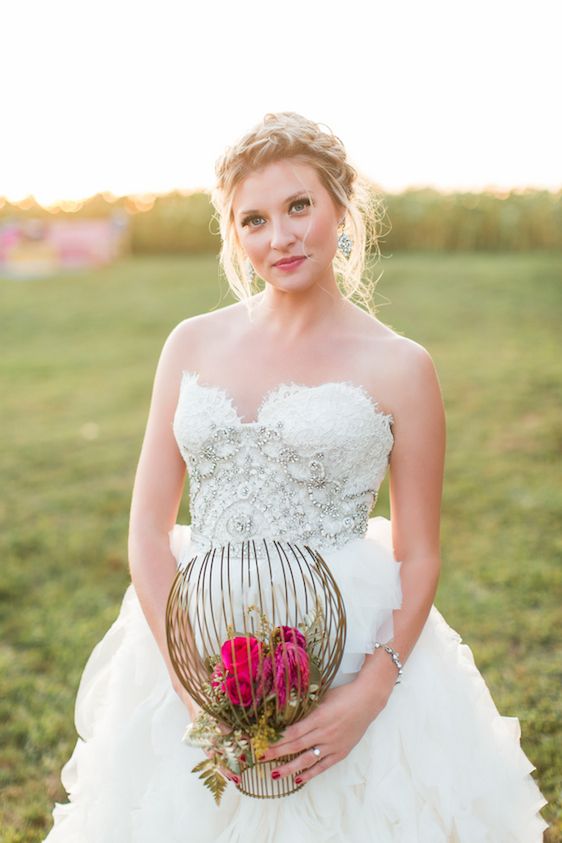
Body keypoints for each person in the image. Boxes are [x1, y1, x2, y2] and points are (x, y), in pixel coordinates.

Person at [43, 111, 549, 842]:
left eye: (298, 207)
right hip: (194, 637)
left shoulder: (402, 366)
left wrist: (370, 692)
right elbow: (148, 532)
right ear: (234, 235)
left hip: (341, 642)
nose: (278, 236)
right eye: (253, 219)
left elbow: (421, 553)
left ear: (341, 208)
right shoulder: (190, 343)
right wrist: (191, 691)